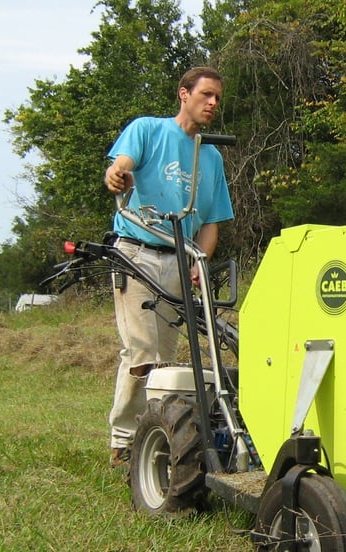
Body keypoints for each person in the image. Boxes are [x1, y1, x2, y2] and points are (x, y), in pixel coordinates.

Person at [103, 66, 234, 469]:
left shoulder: (210, 156)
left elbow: (211, 221)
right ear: (184, 94)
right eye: (206, 95)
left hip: (180, 258)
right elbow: (122, 164)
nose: (212, 103)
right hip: (137, 251)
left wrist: (201, 261)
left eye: (217, 98)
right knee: (142, 352)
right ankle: (124, 441)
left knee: (167, 357)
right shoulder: (148, 130)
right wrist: (118, 174)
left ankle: (160, 435)